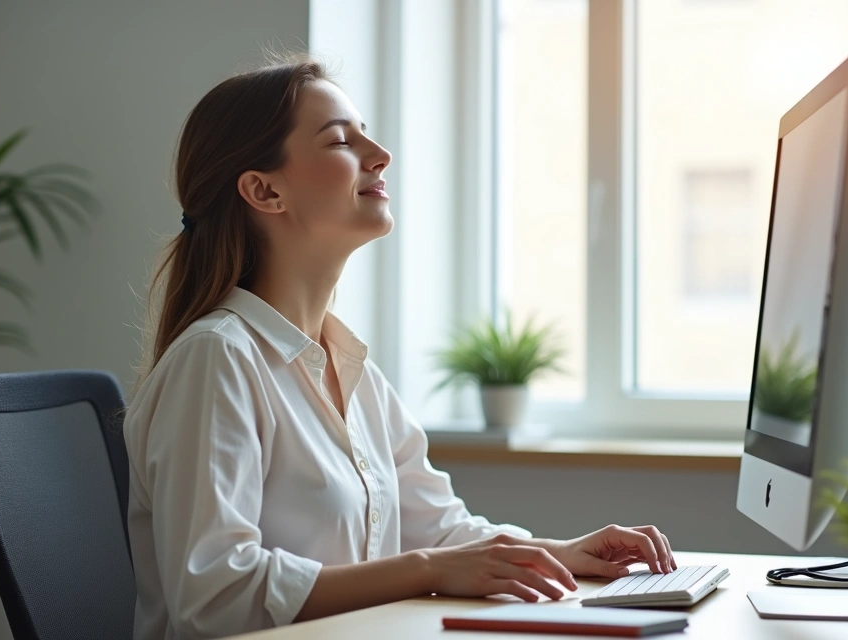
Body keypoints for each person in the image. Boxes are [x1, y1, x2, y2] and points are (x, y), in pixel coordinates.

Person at [123, 55, 677, 640]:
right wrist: (428, 571)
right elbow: (215, 596)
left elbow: (439, 532)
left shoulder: (350, 367)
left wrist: (557, 553)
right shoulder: (217, 359)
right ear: (264, 190)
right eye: (341, 140)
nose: (380, 153)